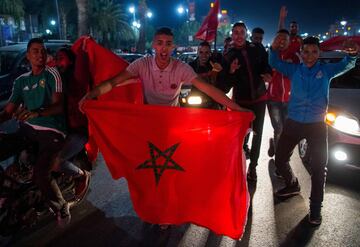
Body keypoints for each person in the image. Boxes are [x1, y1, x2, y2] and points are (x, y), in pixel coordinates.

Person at [269, 36, 358, 226]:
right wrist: (274, 48)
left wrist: (352, 54)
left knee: (319, 168)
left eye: (314, 52)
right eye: (306, 52)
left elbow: (347, 64)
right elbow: (274, 62)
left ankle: (316, 209)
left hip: (317, 125)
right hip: (293, 122)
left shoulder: (326, 70)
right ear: (301, 53)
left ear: (319, 53)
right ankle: (292, 184)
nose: (310, 56)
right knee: (280, 158)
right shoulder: (294, 70)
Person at [81, 27, 247, 111]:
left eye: (168, 44)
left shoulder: (181, 68)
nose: (163, 48)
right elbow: (112, 82)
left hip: (173, 118)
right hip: (150, 118)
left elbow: (209, 89)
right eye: (159, 43)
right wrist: (90, 95)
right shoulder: (141, 64)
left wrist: (237, 108)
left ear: (173, 47)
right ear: (153, 45)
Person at [0, 38, 70, 225]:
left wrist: (37, 112)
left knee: (41, 173)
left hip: (52, 131)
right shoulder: (20, 81)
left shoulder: (52, 74)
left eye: (43, 51)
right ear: (28, 56)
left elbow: (59, 107)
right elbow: (8, 112)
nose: (40, 54)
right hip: (27, 131)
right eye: (35, 51)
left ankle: (61, 205)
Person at [217, 22, 272, 182]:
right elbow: (224, 86)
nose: (239, 35)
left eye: (242, 32)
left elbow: (265, 66)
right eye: (236, 32)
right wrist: (232, 71)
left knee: (257, 134)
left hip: (260, 99)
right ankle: (238, 165)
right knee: (240, 137)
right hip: (241, 103)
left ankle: (253, 167)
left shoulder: (257, 49)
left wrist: (268, 73)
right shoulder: (228, 56)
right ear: (232, 35)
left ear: (246, 34)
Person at [54, 47, 91, 204]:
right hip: (58, 131)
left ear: (71, 61)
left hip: (78, 131)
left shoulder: (76, 82)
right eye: (56, 58)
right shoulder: (55, 81)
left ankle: (81, 176)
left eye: (61, 58)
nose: (57, 62)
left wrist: (84, 47)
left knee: (56, 162)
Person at [267, 29, 300, 159]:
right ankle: (281, 162)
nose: (281, 41)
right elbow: (262, 71)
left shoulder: (295, 57)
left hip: (290, 100)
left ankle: (278, 151)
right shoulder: (270, 55)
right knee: (279, 129)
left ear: (289, 41)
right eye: (278, 39)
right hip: (273, 99)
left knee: (288, 131)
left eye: (284, 39)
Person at [189, 41, 223, 109]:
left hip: (212, 100)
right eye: (201, 52)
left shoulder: (214, 65)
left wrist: (216, 71)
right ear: (197, 52)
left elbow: (218, 84)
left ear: (210, 53)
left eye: (206, 52)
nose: (204, 55)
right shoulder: (191, 66)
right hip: (195, 98)